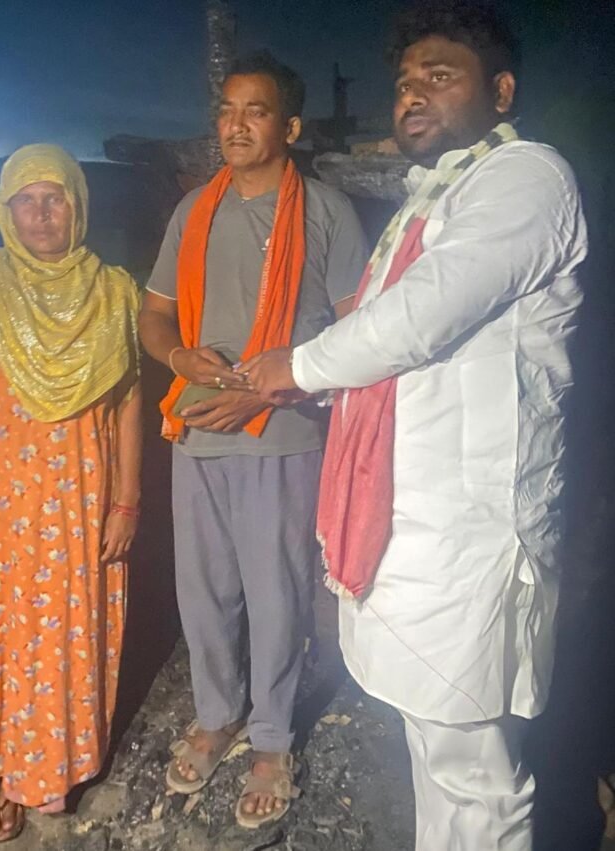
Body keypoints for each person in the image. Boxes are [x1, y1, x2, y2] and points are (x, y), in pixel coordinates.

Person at [243, 3, 588, 849]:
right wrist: (309, 387)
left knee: (477, 774)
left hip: (474, 529)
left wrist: (300, 366)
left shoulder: (526, 177)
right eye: (403, 82)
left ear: (500, 92)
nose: (412, 94)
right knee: (433, 746)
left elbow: (423, 314)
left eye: (440, 75)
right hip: (413, 522)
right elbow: (390, 353)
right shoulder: (430, 201)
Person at [139, 51, 367, 828]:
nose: (235, 125)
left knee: (278, 594)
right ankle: (216, 713)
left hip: (284, 434)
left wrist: (270, 390)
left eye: (256, 110)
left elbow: (360, 331)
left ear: (290, 126)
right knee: (203, 591)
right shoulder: (193, 212)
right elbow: (155, 314)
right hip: (199, 433)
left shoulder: (327, 212)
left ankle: (272, 738)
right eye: (227, 110)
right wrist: (179, 358)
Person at [0, 144, 141, 842]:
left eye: (56, 199)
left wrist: (127, 500)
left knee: (63, 633)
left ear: (78, 206)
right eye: (27, 200)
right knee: (0, 632)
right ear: (5, 210)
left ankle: (45, 770)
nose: (42, 214)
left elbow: (129, 404)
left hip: (80, 498)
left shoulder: (114, 290)